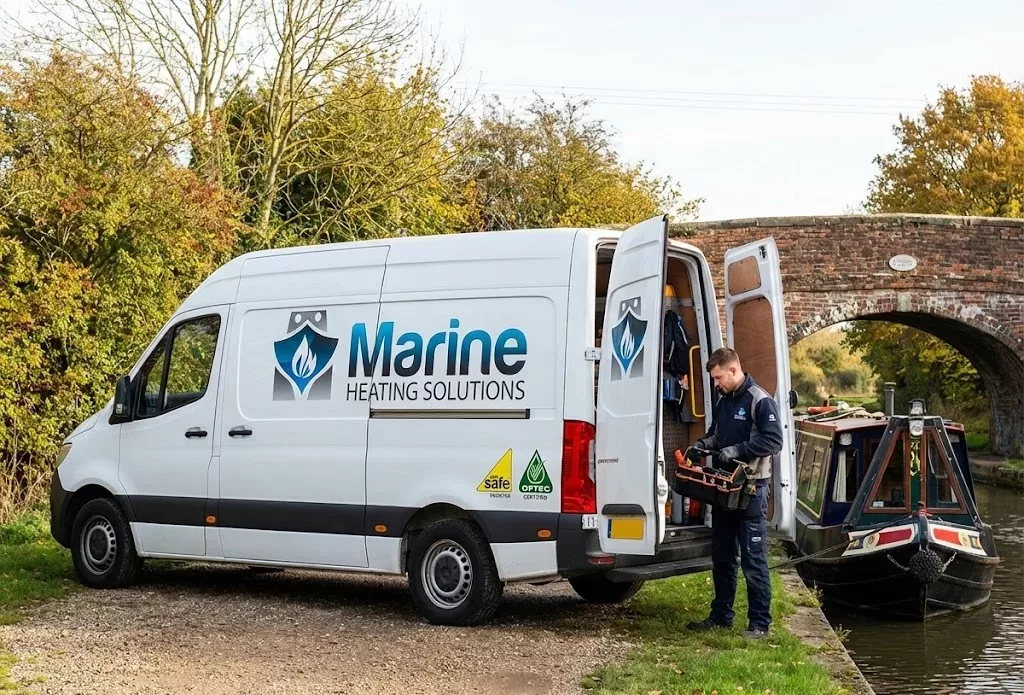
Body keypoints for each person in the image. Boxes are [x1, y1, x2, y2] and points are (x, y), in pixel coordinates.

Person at [685, 347, 784, 639]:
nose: (716, 384)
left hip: (752, 488)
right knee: (723, 555)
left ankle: (759, 624)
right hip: (723, 486)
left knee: (753, 558)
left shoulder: (760, 400)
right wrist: (704, 445)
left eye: (718, 378)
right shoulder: (724, 399)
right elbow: (717, 433)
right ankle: (721, 616)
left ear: (732, 369)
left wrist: (737, 451)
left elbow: (774, 440)